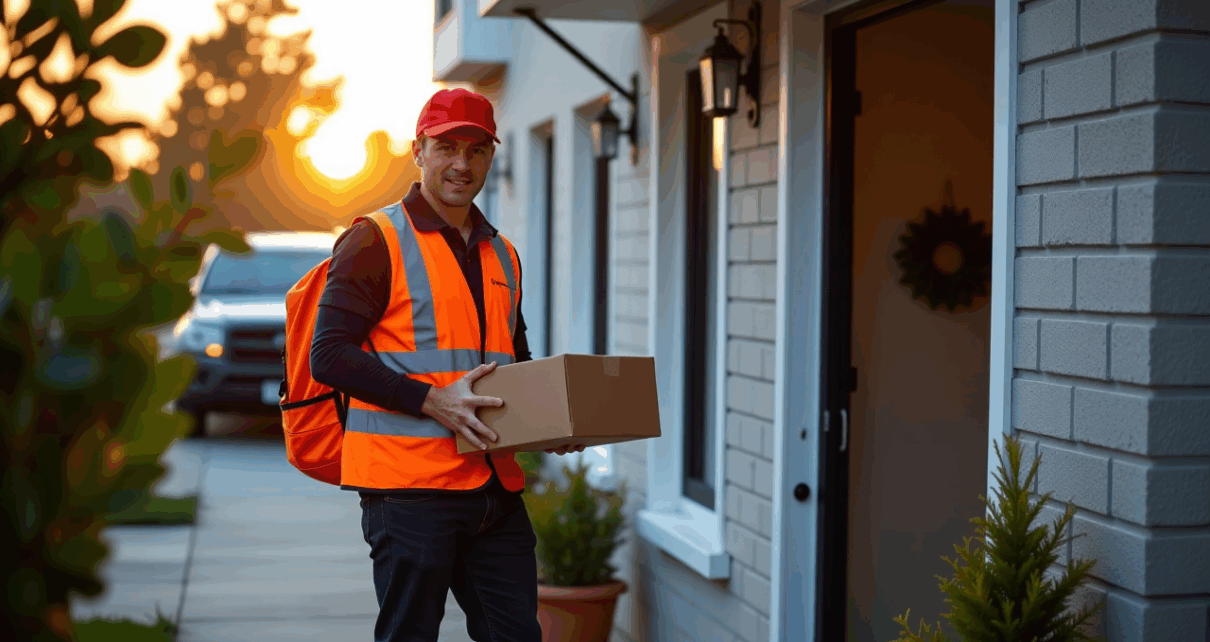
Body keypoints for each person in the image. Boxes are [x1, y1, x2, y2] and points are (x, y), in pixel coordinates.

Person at [309, 87, 583, 642]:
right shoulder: (374, 240)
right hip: (409, 492)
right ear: (419, 151)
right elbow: (329, 355)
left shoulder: (501, 251)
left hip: (493, 490)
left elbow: (512, 361)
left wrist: (549, 423)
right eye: (447, 147)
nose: (462, 164)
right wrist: (430, 399)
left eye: (477, 149)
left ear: (490, 156)